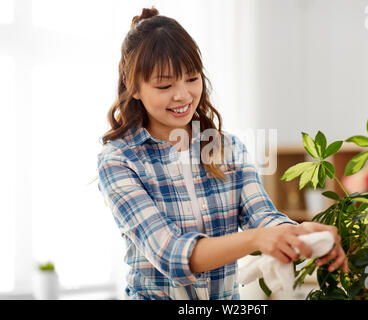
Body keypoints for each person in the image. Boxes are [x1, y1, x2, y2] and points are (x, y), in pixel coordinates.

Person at [97, 7, 348, 300]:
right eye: (164, 85)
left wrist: (300, 234)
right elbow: (170, 254)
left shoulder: (228, 148)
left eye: (192, 78)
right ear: (133, 87)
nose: (183, 95)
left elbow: (262, 216)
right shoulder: (119, 160)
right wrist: (257, 239)